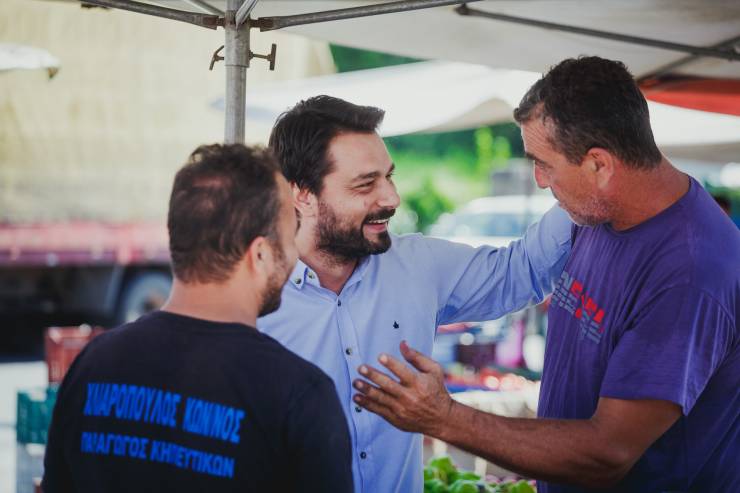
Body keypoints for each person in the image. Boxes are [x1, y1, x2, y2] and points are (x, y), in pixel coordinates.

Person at [353, 56, 740, 492]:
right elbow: (517, 269)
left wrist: (445, 418)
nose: (538, 180)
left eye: (544, 163)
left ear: (600, 165)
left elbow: (608, 452)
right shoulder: (594, 213)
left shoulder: (689, 273)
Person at [258, 95, 574, 493]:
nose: (391, 198)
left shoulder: (417, 265)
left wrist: (581, 178)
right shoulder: (250, 299)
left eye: (388, 176)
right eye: (365, 184)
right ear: (302, 194)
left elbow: (522, 271)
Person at [42, 144, 353, 493]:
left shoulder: (93, 365)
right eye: (290, 237)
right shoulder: (300, 397)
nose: (296, 254)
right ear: (261, 253)